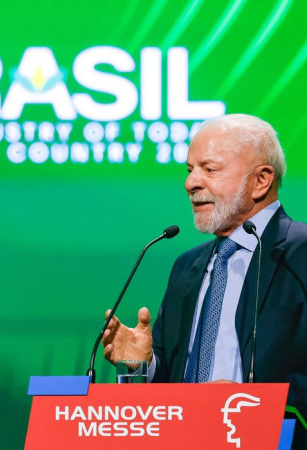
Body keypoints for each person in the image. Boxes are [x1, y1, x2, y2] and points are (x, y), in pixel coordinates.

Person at [101, 114, 307, 447]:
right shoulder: (187, 267)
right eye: (189, 170)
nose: (191, 183)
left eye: (210, 170)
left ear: (261, 181)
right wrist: (144, 365)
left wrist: (253, 402)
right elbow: (171, 383)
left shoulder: (300, 254)